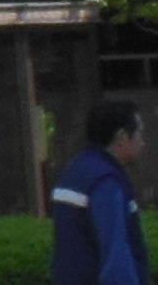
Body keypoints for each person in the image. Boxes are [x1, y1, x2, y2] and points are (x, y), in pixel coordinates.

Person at [55, 98, 150, 285]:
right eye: (139, 134)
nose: (142, 142)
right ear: (122, 138)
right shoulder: (105, 181)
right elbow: (116, 256)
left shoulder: (74, 171)